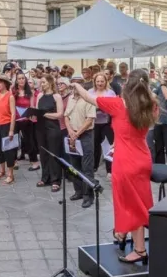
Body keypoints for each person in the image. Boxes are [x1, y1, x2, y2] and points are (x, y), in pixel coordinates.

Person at [71, 69, 156, 264]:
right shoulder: (151, 104)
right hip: (142, 157)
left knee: (130, 205)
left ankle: (140, 250)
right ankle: (122, 232)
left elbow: (88, 97)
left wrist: (76, 85)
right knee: (138, 202)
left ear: (127, 85)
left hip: (125, 161)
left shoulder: (118, 105)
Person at [64, 76, 96, 208]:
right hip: (72, 134)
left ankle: (88, 196)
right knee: (74, 165)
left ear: (83, 85)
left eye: (78, 83)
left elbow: (89, 119)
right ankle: (78, 191)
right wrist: (70, 131)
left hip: (85, 135)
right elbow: (66, 116)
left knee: (87, 167)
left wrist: (77, 134)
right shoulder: (70, 98)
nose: (75, 86)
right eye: (73, 83)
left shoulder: (88, 98)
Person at [35, 74, 64, 192]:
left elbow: (60, 114)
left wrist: (45, 114)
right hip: (40, 128)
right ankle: (45, 177)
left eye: (44, 82)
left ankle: (55, 180)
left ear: (50, 83)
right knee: (43, 153)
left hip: (53, 128)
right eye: (41, 82)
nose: (42, 84)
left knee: (53, 153)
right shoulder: (40, 95)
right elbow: (37, 111)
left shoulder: (57, 96)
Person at [0, 74, 17, 184]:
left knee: (8, 150)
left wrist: (11, 130)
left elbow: (13, 114)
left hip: (7, 125)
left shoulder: (10, 96)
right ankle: (2, 170)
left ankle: (10, 174)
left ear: (5, 84)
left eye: (0, 82)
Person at [13, 72, 39, 171]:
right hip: (15, 119)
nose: (21, 80)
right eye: (19, 78)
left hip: (27, 119)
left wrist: (31, 116)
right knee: (14, 141)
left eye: (23, 78)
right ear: (16, 80)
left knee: (29, 141)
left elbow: (32, 106)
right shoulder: (13, 91)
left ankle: (34, 162)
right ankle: (14, 161)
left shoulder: (29, 92)